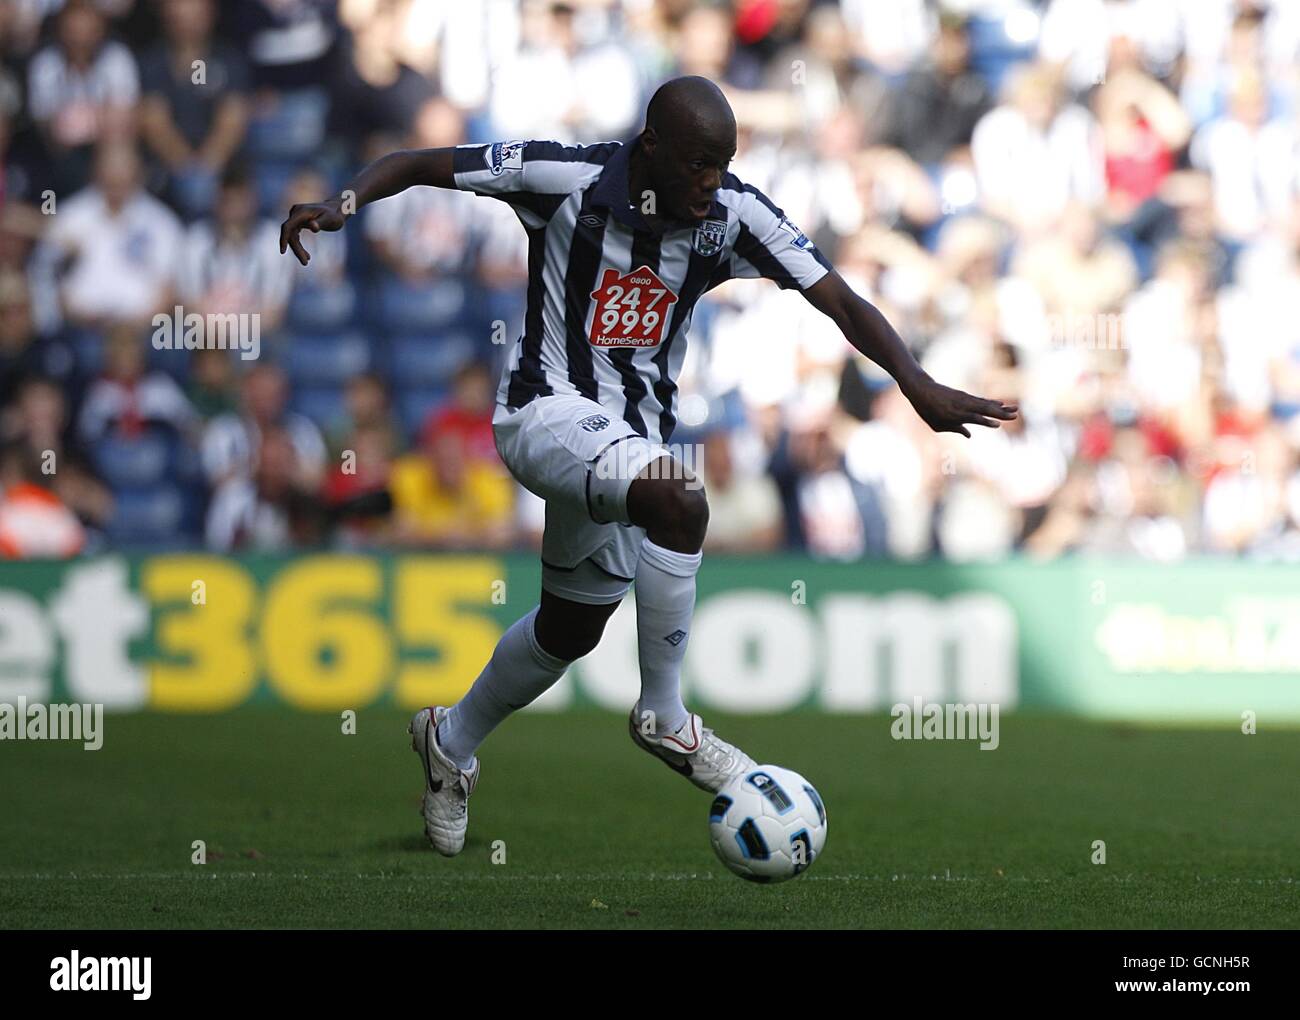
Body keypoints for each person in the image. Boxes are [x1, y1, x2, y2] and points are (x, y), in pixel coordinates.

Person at [280, 75, 1017, 856]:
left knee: (570, 630)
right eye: (699, 163)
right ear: (653, 147)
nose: (711, 180)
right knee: (680, 500)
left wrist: (915, 382)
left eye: (723, 162)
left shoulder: (732, 213)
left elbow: (837, 298)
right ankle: (665, 716)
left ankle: (450, 741)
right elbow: (421, 161)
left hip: (624, 438)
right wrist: (345, 204)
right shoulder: (564, 179)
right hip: (542, 411)